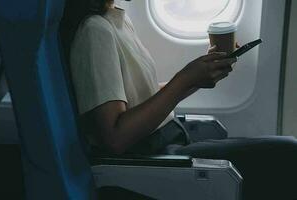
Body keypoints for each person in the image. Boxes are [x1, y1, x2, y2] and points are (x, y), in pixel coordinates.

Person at [61, 0, 297, 199]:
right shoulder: (94, 31)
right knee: (287, 153)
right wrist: (185, 79)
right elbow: (115, 137)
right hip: (152, 157)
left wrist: (199, 75)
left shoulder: (116, 21)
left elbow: (145, 95)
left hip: (166, 139)